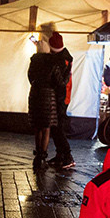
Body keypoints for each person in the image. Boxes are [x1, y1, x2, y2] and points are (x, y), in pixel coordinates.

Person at [28, 29, 75, 169]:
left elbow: (30, 78)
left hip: (38, 95)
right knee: (50, 128)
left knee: (42, 127)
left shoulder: (38, 61)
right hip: (52, 98)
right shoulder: (59, 60)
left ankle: (63, 156)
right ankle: (60, 156)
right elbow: (61, 82)